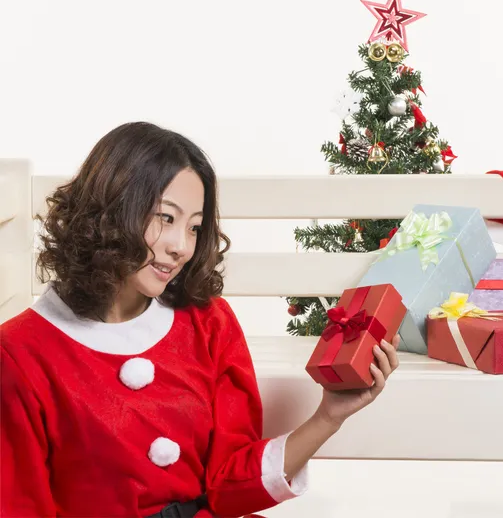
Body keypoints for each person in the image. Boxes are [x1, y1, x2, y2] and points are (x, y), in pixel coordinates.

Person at [0, 122, 400, 518]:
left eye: (194, 227)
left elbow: (229, 486)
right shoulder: (19, 352)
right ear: (109, 211)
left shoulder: (209, 322)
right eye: (165, 218)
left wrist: (329, 416)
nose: (181, 247)